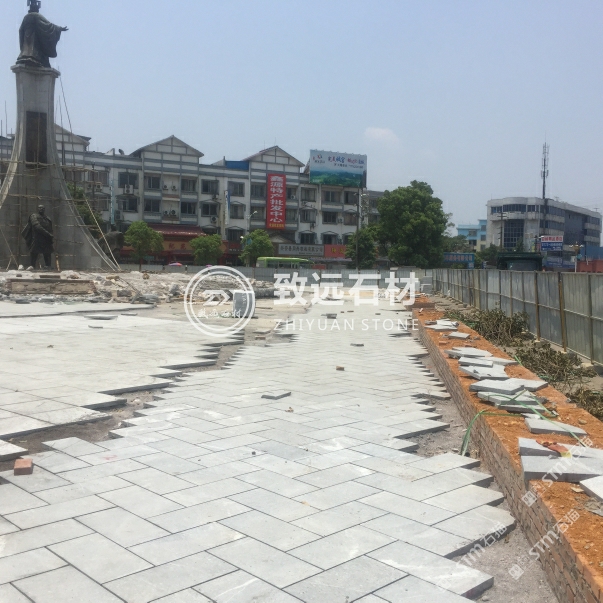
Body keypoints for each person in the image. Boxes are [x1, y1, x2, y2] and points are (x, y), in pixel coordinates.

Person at [17, 0, 68, 69]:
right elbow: (48, 25)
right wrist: (59, 28)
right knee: (36, 54)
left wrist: (22, 44)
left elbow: (21, 30)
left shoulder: (26, 17)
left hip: (26, 43)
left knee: (28, 52)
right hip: (35, 42)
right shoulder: (36, 15)